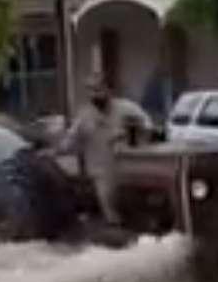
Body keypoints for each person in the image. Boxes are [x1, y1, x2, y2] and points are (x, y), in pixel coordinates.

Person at [58, 75, 152, 225]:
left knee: (138, 210)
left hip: (131, 170)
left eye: (98, 90)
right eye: (91, 91)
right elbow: (70, 142)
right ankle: (118, 233)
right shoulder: (84, 117)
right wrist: (58, 149)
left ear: (109, 90)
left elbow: (147, 126)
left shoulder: (126, 109)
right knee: (109, 205)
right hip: (101, 172)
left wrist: (129, 134)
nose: (94, 95)